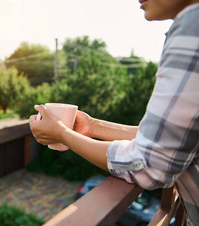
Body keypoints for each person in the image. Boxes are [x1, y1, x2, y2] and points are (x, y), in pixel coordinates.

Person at [29, 0, 199, 224]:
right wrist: (93, 127)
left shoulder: (192, 25)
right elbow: (169, 138)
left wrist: (63, 135)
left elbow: (148, 165)